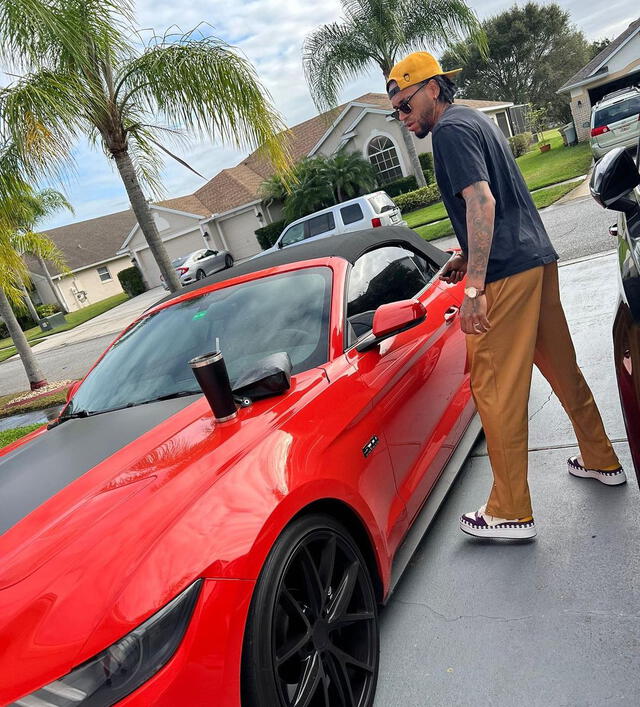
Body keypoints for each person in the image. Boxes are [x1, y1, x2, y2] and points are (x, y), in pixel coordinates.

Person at [386, 52, 625, 540]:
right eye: (396, 112)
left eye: (406, 105)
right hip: (537, 260)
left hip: (505, 276)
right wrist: (464, 256)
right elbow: (500, 203)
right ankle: (603, 459)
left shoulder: (450, 132)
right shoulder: (476, 120)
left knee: (494, 389)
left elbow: (482, 201)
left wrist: (473, 287)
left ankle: (511, 510)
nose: (404, 119)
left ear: (433, 88)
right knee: (563, 368)